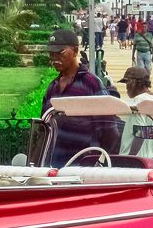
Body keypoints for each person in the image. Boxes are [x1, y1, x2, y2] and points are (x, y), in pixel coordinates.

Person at [41, 29, 120, 166]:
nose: (54, 58)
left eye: (60, 53)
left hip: (83, 168)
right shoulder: (52, 87)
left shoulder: (91, 84)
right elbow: (44, 127)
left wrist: (100, 165)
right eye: (51, 54)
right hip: (53, 166)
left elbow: (110, 132)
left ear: (76, 51)